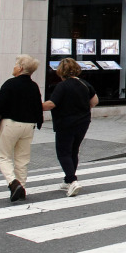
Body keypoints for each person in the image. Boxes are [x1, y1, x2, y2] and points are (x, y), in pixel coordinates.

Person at [0, 55, 44, 202]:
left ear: (20, 68)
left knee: (3, 156)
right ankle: (22, 187)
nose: (14, 67)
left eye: (16, 64)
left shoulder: (10, 84)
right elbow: (38, 106)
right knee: (22, 159)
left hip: (10, 123)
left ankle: (13, 182)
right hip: (28, 125)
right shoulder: (34, 86)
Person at [42, 58, 99, 196]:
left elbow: (51, 104)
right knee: (74, 150)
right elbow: (95, 101)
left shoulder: (62, 86)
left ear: (60, 71)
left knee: (63, 152)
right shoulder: (84, 84)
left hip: (65, 123)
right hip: (83, 122)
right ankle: (68, 179)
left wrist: (34, 107)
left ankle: (73, 181)